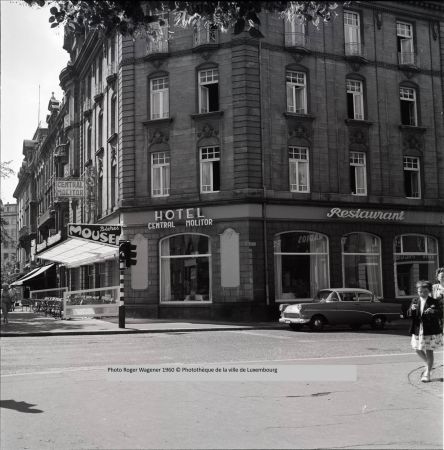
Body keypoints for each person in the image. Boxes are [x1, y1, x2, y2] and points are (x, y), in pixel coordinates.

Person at [407, 280, 443, 382]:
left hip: (430, 330)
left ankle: (427, 373)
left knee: (429, 351)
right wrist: (412, 309)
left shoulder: (434, 301)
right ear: (417, 291)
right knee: (417, 349)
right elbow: (408, 314)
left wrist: (433, 311)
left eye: (425, 291)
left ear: (429, 291)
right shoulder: (415, 300)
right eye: (420, 291)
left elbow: (440, 313)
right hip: (418, 329)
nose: (422, 293)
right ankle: (429, 364)